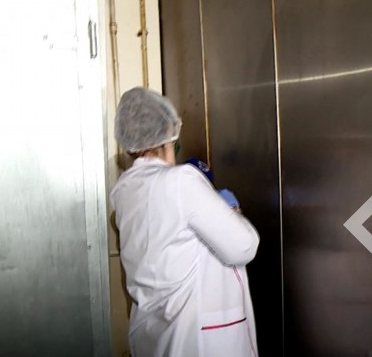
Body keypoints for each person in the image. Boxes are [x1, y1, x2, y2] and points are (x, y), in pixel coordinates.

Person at [111, 87, 260, 357]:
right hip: (200, 341)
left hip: (156, 337)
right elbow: (244, 247)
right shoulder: (181, 181)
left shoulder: (124, 191)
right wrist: (232, 210)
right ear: (169, 131)